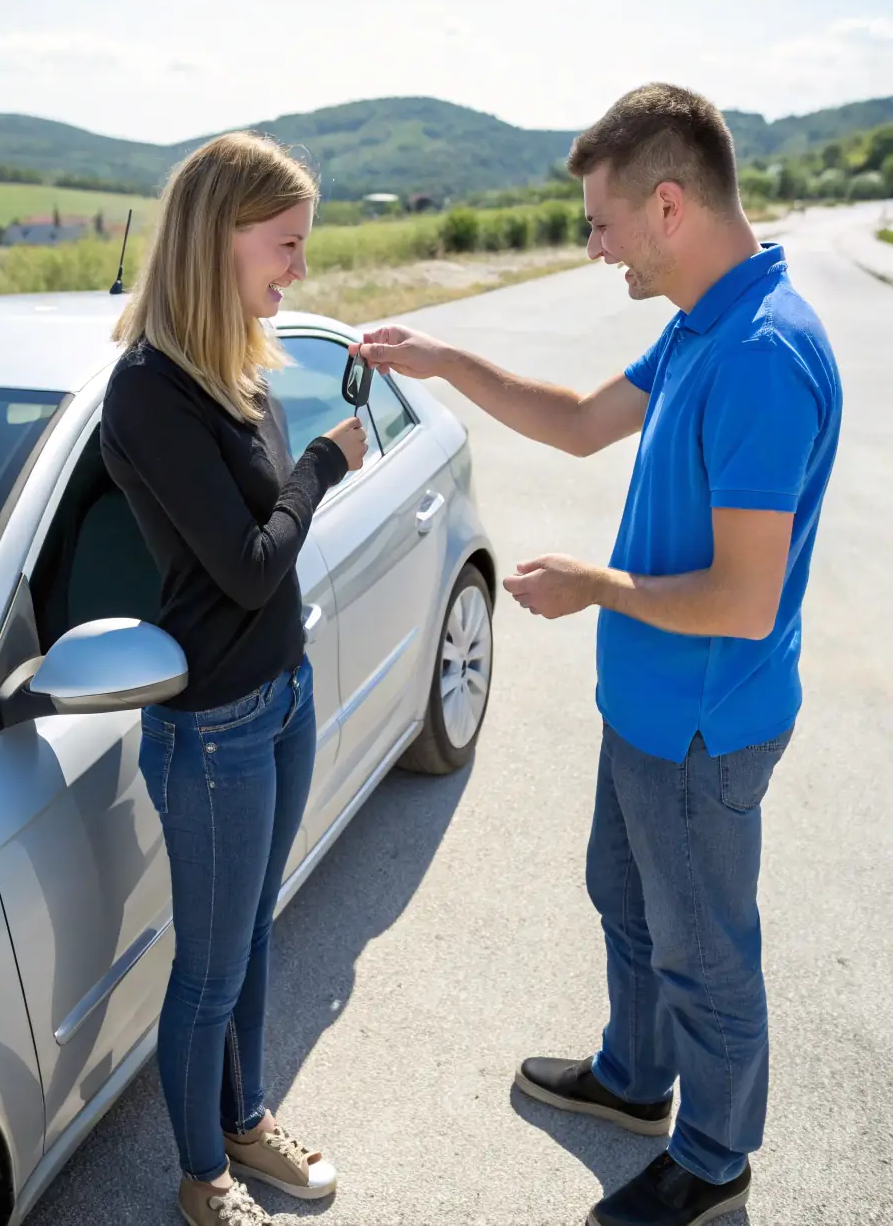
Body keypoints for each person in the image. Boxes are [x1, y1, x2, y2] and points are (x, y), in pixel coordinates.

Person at [353, 84, 841, 1226]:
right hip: (647, 705)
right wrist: (445, 358)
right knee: (622, 899)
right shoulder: (702, 322)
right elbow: (577, 419)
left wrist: (595, 587)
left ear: (666, 205)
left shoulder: (762, 354)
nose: (594, 246)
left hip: (701, 726)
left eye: (600, 222)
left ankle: (714, 1163)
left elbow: (743, 596)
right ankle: (634, 1082)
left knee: (704, 954)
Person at [102, 132, 367, 1226]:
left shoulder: (242, 366)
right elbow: (255, 565)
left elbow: (267, 543)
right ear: (221, 237)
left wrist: (297, 474)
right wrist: (324, 465)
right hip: (213, 727)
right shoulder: (151, 394)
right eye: (287, 245)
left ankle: (248, 1121)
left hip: (283, 695)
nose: (298, 270)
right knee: (207, 972)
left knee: (253, 935)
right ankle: (202, 1176)